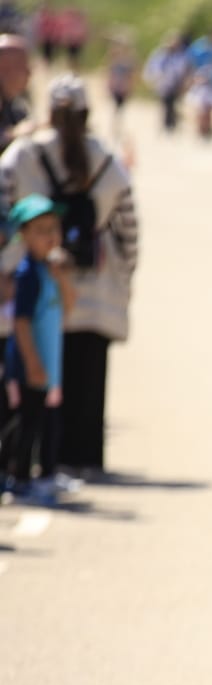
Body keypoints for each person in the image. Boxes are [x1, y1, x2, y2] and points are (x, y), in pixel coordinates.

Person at [0, 74, 140, 477]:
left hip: (30, 280)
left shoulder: (23, 155)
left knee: (32, 385)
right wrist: (125, 277)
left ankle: (35, 463)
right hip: (95, 290)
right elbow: (128, 227)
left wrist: (6, 267)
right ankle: (79, 459)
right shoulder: (107, 160)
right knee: (84, 380)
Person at [2, 194, 73, 504]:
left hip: (47, 363)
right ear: (24, 235)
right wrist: (32, 362)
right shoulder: (28, 273)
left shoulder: (48, 270)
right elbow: (20, 322)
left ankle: (41, 474)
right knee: (25, 423)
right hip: (29, 364)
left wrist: (63, 279)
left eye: (54, 228)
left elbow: (69, 306)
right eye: (41, 230)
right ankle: (17, 478)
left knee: (43, 420)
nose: (50, 236)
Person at [144, 32, 191, 134]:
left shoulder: (181, 55)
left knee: (173, 104)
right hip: (163, 84)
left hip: (176, 84)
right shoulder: (159, 54)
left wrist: (184, 83)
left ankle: (171, 124)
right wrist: (151, 80)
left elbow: (184, 70)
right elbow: (151, 68)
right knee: (166, 104)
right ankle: (167, 125)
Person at [0, 32, 31, 153]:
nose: (29, 72)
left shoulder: (16, 109)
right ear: (3, 68)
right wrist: (16, 134)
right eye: (22, 65)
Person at [106, 35, 135, 139]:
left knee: (120, 107)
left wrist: (130, 86)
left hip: (123, 87)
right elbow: (109, 72)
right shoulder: (114, 58)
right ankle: (116, 125)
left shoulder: (129, 61)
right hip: (116, 87)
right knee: (117, 106)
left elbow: (131, 75)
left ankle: (117, 124)